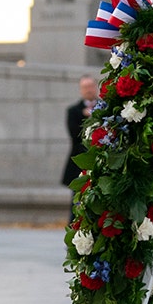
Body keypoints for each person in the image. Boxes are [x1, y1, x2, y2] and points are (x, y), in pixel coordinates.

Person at [63, 75, 98, 216]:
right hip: (79, 162)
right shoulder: (74, 111)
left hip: (98, 159)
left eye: (90, 86)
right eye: (85, 87)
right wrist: (86, 117)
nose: (88, 90)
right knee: (76, 199)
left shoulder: (105, 108)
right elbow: (74, 134)